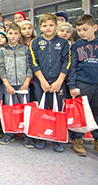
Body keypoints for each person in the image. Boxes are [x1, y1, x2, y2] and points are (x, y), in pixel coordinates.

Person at [29, 13, 71, 152]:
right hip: (41, 82)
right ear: (40, 27)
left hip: (58, 82)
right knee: (42, 108)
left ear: (56, 26)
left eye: (51, 25)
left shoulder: (63, 43)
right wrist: (42, 81)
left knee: (57, 110)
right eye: (45, 25)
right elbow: (33, 62)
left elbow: (67, 62)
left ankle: (57, 138)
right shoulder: (35, 42)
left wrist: (59, 81)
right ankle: (40, 136)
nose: (48, 28)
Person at [67, 14, 98, 157]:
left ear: (95, 28)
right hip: (82, 83)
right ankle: (77, 139)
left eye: (85, 29)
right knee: (80, 114)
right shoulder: (76, 45)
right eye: (79, 30)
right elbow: (72, 67)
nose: (81, 32)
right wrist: (72, 85)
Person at [0, 23, 34, 147]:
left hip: (23, 85)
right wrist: (7, 84)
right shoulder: (3, 50)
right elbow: (0, 67)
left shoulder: (25, 49)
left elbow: (30, 66)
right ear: (7, 34)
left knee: (25, 110)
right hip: (9, 85)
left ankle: (26, 135)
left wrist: (26, 83)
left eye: (16, 33)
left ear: (19, 35)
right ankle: (9, 133)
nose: (13, 36)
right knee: (9, 109)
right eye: (10, 33)